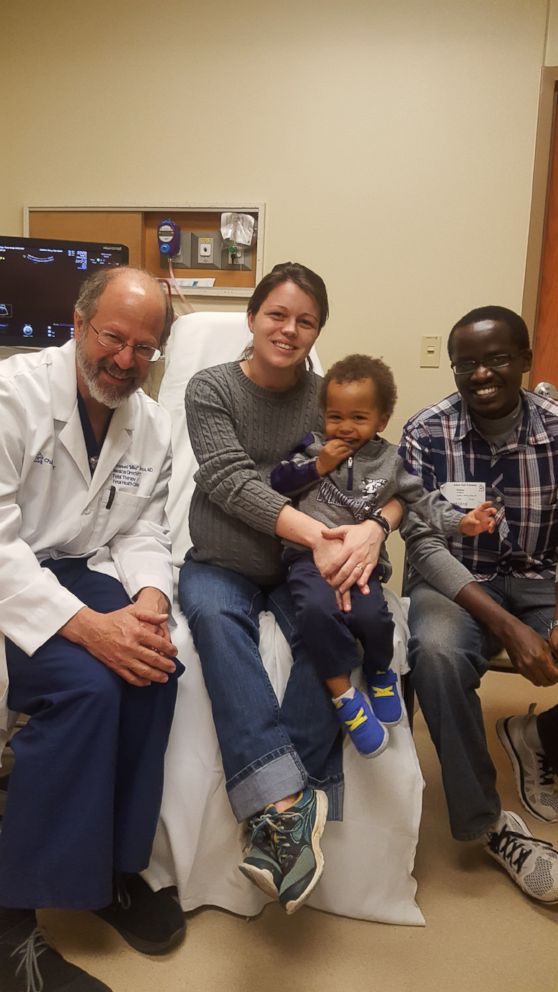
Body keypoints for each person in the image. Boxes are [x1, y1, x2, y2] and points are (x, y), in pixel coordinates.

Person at [178, 263, 402, 915]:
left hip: (299, 566)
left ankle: (287, 809)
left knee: (333, 628)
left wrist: (375, 529)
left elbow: (389, 474)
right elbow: (230, 482)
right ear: (252, 318)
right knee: (217, 625)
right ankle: (291, 801)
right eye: (277, 314)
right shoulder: (210, 388)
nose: (289, 329)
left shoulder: (327, 396)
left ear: (319, 332)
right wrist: (322, 535)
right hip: (221, 559)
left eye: (306, 320)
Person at [0, 267, 186, 992]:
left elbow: (143, 526)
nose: (126, 359)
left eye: (145, 347)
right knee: (88, 690)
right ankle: (10, 925)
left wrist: (147, 601)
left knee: (154, 667)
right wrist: (83, 627)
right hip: (13, 578)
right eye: (114, 337)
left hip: (77, 568)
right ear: (79, 325)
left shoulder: (150, 421)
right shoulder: (13, 396)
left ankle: (110, 871)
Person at [399, 304, 558, 904]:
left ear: (524, 361)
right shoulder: (425, 431)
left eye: (495, 360)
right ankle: (488, 824)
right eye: (466, 363)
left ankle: (539, 736)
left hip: (543, 578)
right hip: (455, 583)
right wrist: (509, 627)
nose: (480, 374)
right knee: (435, 651)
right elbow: (422, 541)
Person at [270, 354, 495, 758]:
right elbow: (276, 485)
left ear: (382, 419)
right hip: (307, 559)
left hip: (362, 563)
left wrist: (462, 522)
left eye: (358, 417)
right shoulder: (310, 448)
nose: (345, 427)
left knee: (372, 616)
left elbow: (421, 501)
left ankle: (378, 671)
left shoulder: (391, 461)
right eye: (335, 416)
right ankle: (345, 698)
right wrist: (317, 466)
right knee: (317, 615)